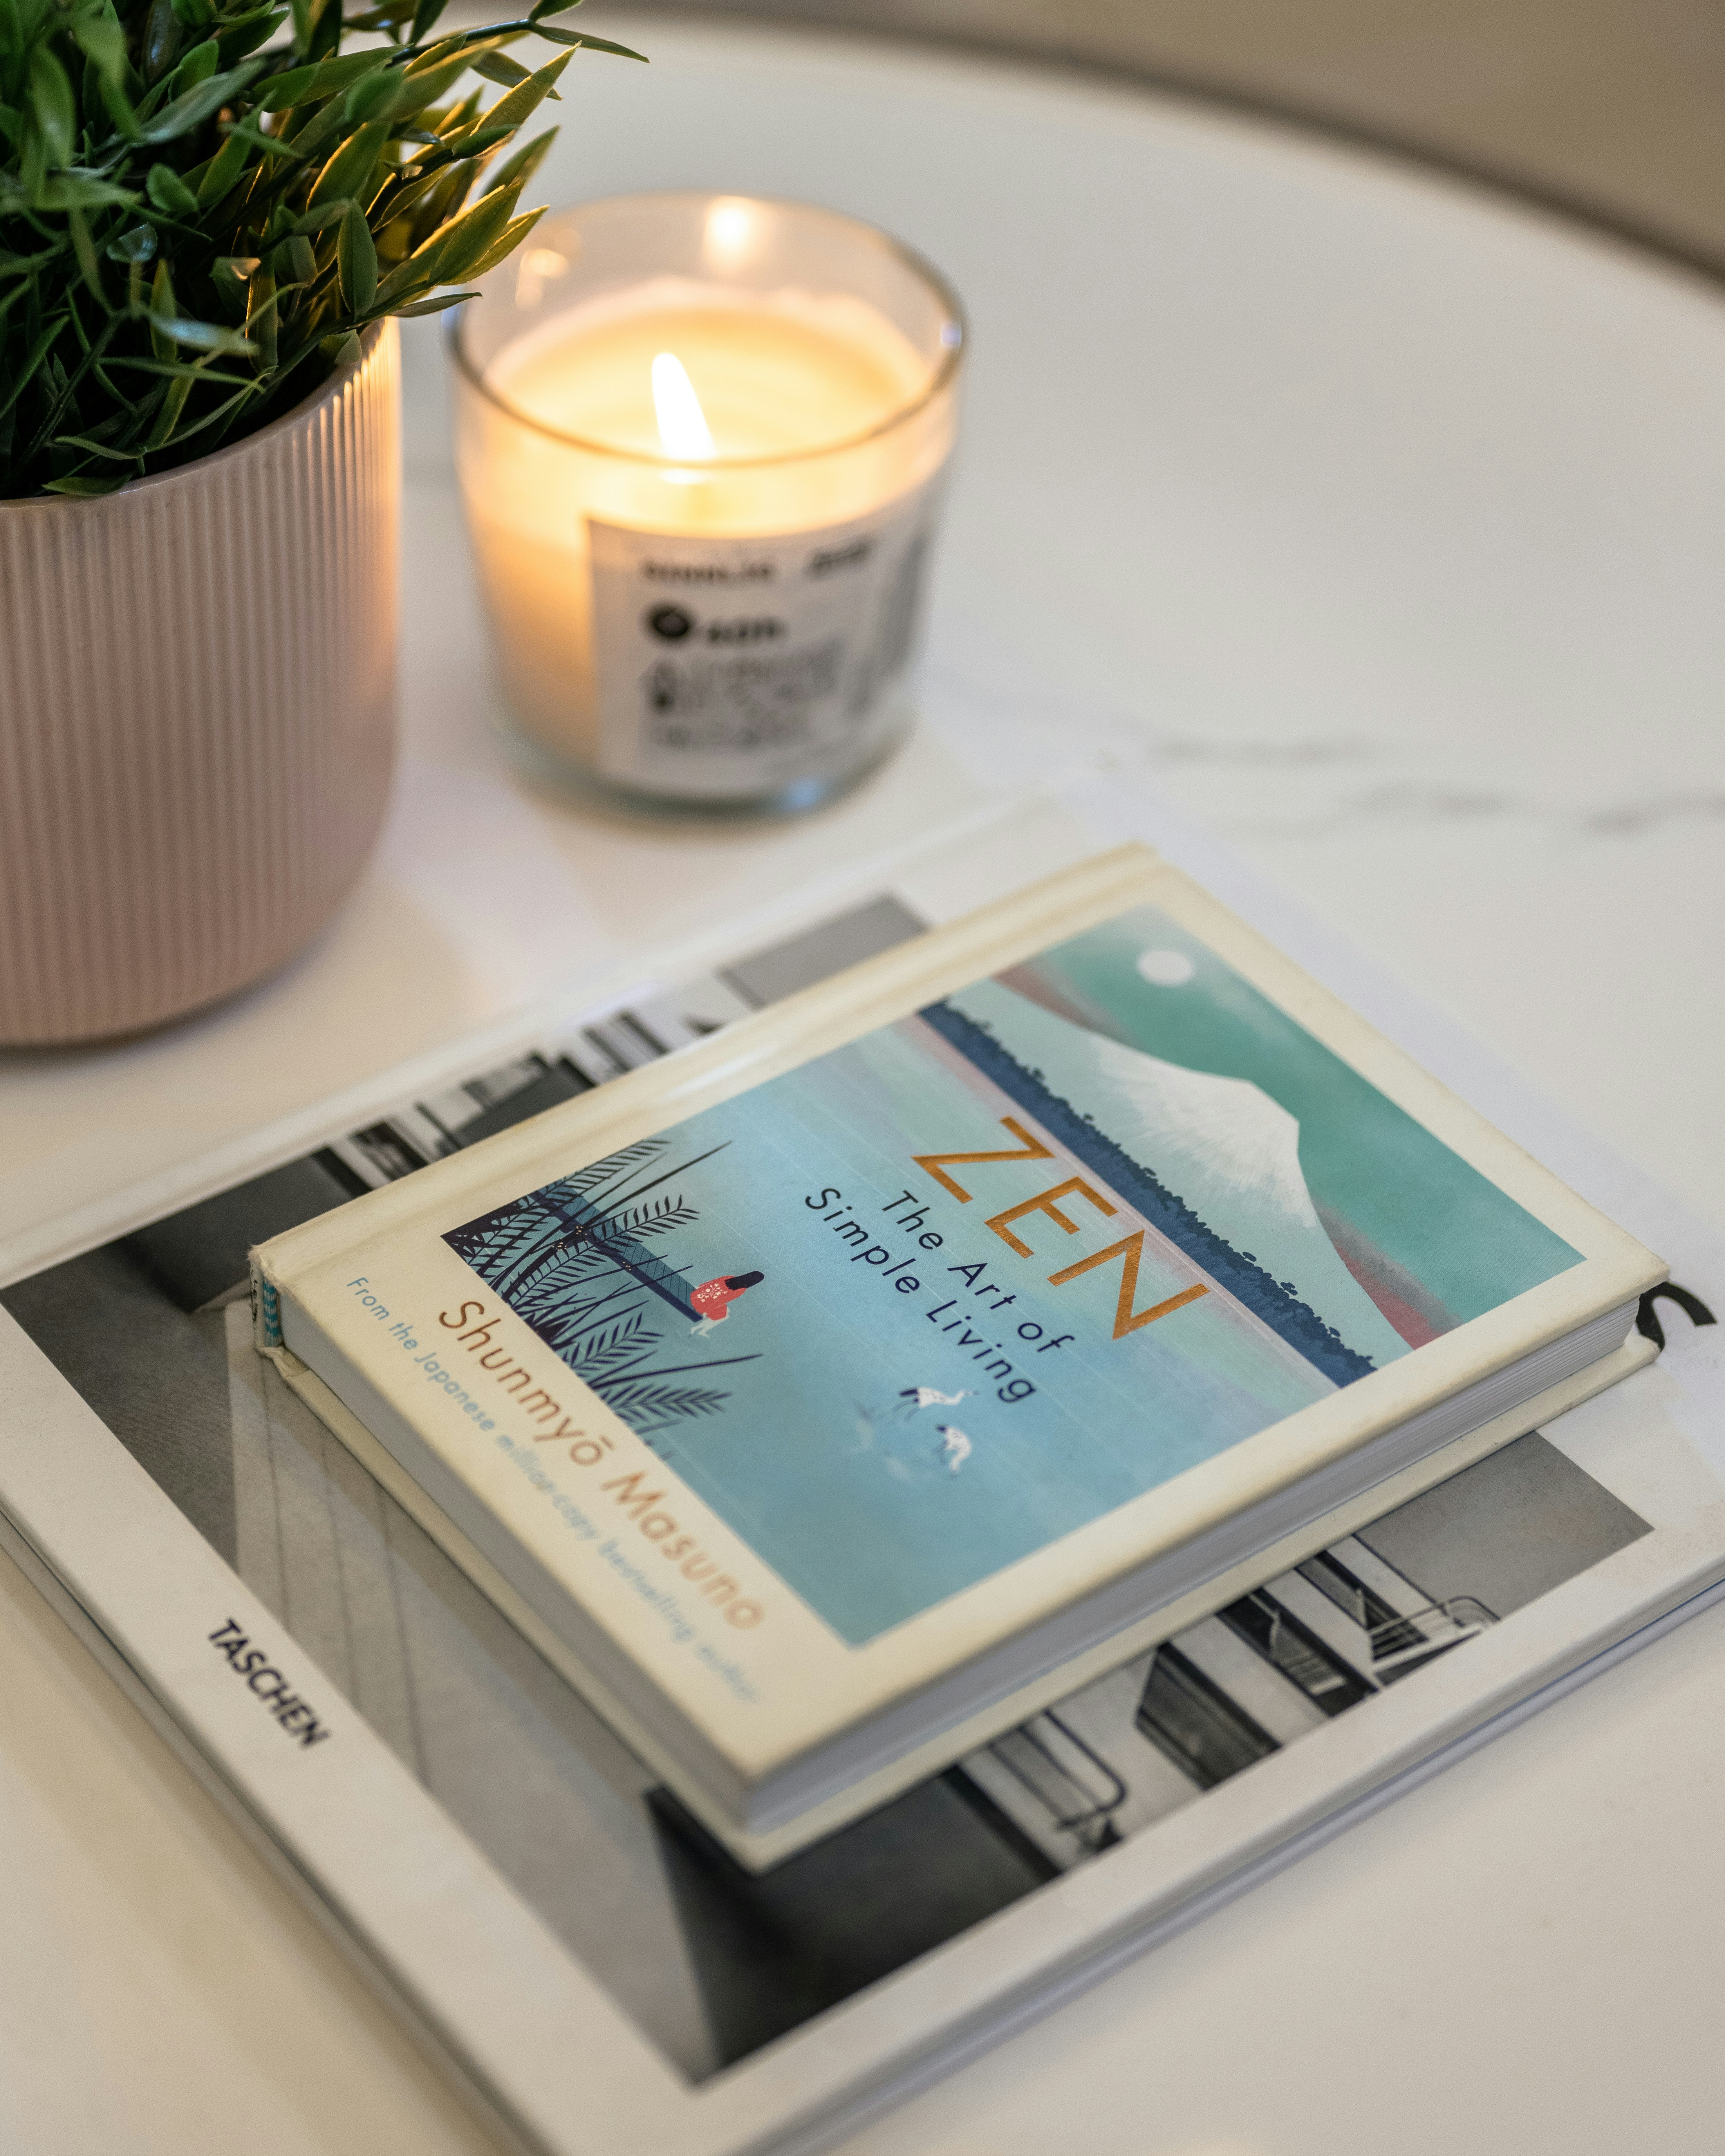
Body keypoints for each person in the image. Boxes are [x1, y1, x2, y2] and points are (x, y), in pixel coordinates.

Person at [690, 1270, 764, 1333]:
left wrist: (698, 1289)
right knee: (724, 1315)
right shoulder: (741, 1290)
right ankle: (700, 1330)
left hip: (696, 1295)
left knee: (725, 1310)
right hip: (701, 1304)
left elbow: (710, 1283)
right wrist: (705, 1311)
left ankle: (699, 1329)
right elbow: (720, 1301)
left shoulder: (730, 1277)